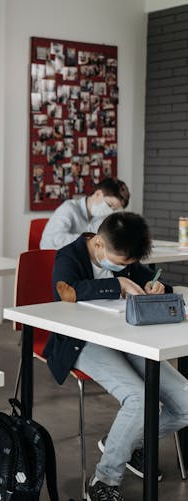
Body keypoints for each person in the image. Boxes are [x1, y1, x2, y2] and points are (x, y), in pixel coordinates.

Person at [43, 212, 188, 501]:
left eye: (128, 264)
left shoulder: (127, 259)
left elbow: (153, 282)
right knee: (139, 400)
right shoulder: (69, 256)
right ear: (98, 244)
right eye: (121, 262)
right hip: (80, 342)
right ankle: (104, 482)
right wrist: (117, 284)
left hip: (125, 339)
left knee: (185, 403)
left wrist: (157, 287)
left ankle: (122, 443)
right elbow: (66, 293)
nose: (124, 268)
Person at [40, 177, 130, 250]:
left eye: (114, 209)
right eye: (110, 205)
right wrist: (90, 240)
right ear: (98, 194)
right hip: (52, 261)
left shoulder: (101, 218)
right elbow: (55, 239)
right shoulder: (69, 208)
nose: (110, 211)